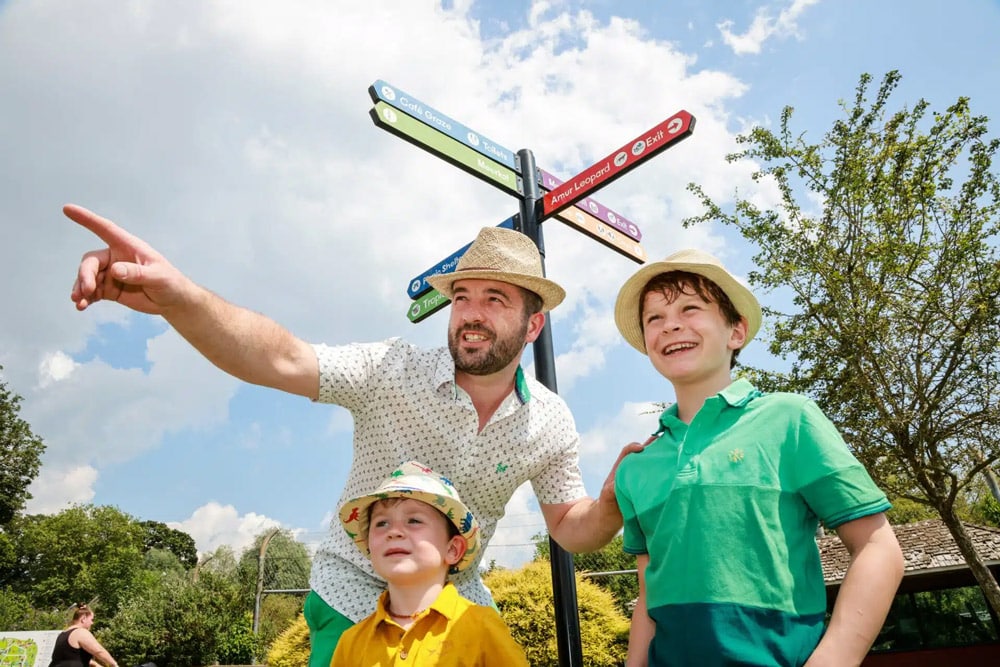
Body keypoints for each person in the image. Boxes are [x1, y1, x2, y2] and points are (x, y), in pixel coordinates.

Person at [65, 205, 638, 666]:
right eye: (462, 296)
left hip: (457, 602)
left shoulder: (552, 421)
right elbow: (280, 357)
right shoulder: (390, 370)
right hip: (353, 595)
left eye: (495, 299)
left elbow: (569, 527)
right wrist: (181, 298)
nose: (470, 313)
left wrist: (611, 501)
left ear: (533, 324)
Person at [612, 249, 905, 667]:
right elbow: (648, 592)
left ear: (736, 332)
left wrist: (833, 659)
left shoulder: (791, 419)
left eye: (690, 308)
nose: (670, 324)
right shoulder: (636, 467)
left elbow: (878, 547)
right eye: (653, 318)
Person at [331, 461, 529, 666]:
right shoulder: (351, 643)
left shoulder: (482, 627)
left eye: (414, 520)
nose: (394, 531)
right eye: (382, 523)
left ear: (453, 549)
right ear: (370, 548)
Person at [48, 603, 119, 667]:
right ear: (83, 619)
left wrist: (95, 664)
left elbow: (70, 657)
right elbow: (99, 651)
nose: (92, 623)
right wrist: (114, 664)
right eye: (91, 619)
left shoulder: (63, 634)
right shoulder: (80, 632)